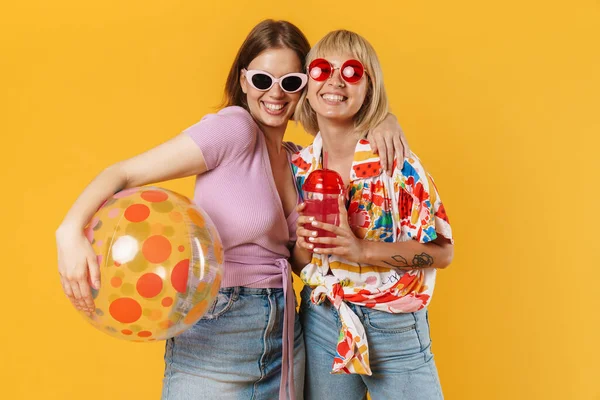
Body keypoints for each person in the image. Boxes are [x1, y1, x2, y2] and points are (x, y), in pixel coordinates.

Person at [55, 20, 410, 400]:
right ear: (243, 82)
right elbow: (124, 172)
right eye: (262, 80)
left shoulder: (299, 160)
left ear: (306, 87)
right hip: (220, 328)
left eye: (291, 82)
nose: (276, 94)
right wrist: (68, 231)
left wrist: (383, 120)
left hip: (286, 332)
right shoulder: (234, 129)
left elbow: (300, 260)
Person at [292, 30, 454, 399]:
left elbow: (443, 253)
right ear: (306, 83)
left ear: (369, 86)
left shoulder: (396, 162)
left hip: (393, 326)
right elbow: (303, 264)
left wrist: (362, 251)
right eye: (321, 69)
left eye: (351, 71)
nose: (334, 80)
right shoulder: (300, 167)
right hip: (323, 320)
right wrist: (303, 247)